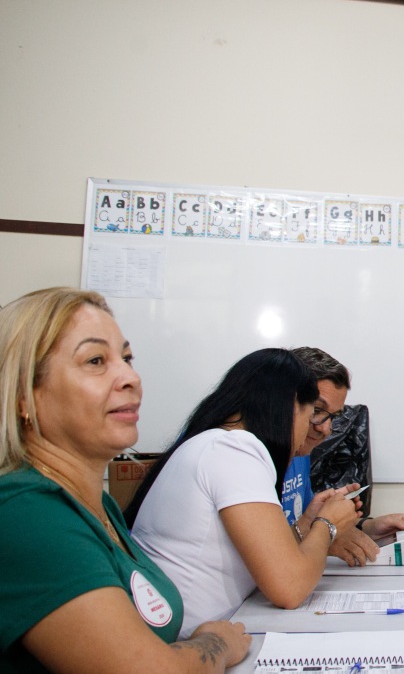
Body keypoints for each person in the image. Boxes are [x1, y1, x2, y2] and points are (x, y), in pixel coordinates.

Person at [0, 287, 250, 672]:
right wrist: (217, 643)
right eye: (96, 360)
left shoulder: (98, 507)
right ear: (24, 396)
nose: (130, 377)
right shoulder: (27, 511)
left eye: (128, 357)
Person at [125, 348, 360, 638]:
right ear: (284, 405)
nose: (318, 429)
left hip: (202, 631)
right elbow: (290, 588)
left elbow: (268, 556)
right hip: (184, 643)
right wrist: (327, 526)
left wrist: (307, 522)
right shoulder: (235, 451)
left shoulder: (217, 444)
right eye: (312, 411)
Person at [280, 346, 404, 567]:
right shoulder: (254, 459)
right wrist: (325, 532)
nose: (326, 429)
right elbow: (277, 552)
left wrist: (366, 527)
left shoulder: (301, 453)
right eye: (317, 410)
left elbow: (304, 525)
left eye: (334, 417)